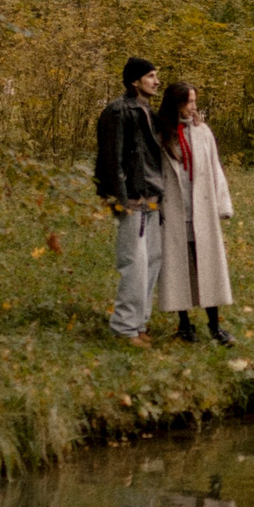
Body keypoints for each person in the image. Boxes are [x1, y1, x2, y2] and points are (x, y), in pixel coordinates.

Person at [150, 78, 235, 344]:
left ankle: (214, 325)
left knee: (207, 267)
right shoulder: (160, 134)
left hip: (202, 209)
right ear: (175, 104)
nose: (192, 107)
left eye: (195, 102)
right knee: (178, 268)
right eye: (188, 102)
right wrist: (155, 205)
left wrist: (222, 204)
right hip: (174, 210)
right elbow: (153, 173)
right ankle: (184, 324)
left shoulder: (203, 132)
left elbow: (215, 167)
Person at [92, 58, 167, 345]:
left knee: (152, 261)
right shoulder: (118, 111)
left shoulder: (149, 112)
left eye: (156, 76)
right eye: (151, 76)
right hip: (131, 199)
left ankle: (139, 325)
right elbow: (112, 159)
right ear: (134, 81)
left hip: (151, 197)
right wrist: (120, 200)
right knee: (133, 263)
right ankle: (124, 327)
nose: (156, 81)